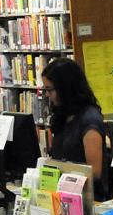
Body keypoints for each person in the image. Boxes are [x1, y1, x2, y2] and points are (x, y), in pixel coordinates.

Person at [42, 57, 108, 195]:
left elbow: (94, 172)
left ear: (65, 88)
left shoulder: (90, 120)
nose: (47, 95)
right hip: (63, 192)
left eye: (50, 90)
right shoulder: (64, 115)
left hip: (87, 195)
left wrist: (63, 170)